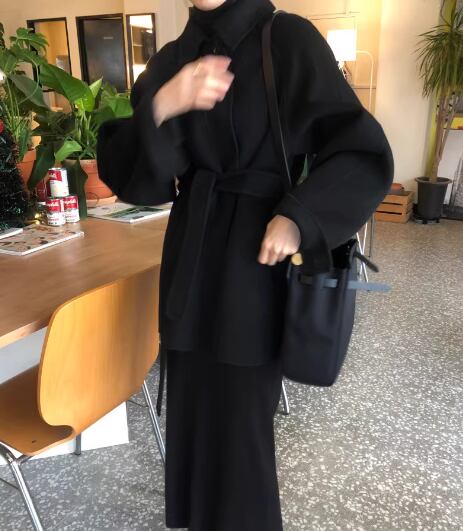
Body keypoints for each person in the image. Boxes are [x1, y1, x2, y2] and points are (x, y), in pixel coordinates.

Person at [97, 0, 394, 529]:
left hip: (255, 262)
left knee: (240, 427)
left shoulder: (287, 39)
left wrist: (299, 216)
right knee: (192, 416)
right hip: (191, 257)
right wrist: (162, 106)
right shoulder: (173, 58)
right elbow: (139, 182)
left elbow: (360, 148)